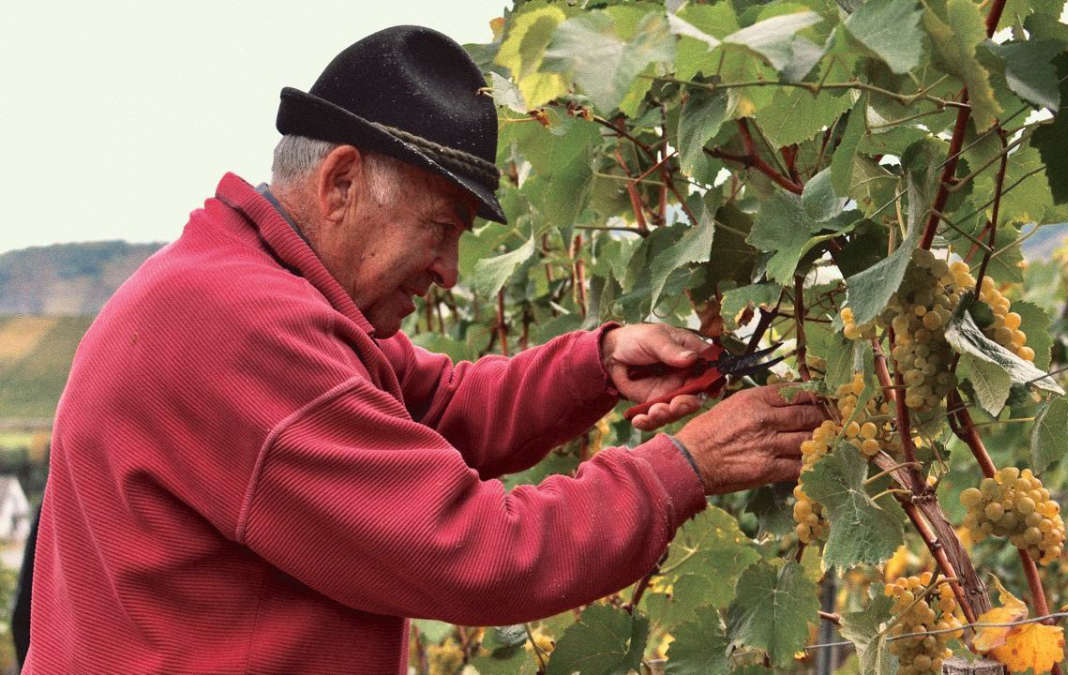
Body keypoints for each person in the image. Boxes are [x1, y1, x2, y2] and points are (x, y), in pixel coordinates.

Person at [24, 26, 825, 672]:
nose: (448, 270)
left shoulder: (254, 287)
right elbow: (479, 550)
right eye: (440, 229)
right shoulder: (241, 331)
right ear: (340, 182)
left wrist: (598, 359)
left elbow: (440, 406)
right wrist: (683, 465)